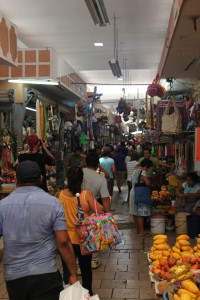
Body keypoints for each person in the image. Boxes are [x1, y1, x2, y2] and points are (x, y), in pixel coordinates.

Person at [0, 161, 77, 300]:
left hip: (14, 278)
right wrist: (73, 274)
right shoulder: (53, 203)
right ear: (41, 179)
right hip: (46, 276)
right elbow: (63, 242)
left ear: (16, 180)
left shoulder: (2, 206)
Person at [59, 167, 104, 296]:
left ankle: (69, 294)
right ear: (82, 180)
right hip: (84, 240)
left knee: (68, 270)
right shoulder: (86, 195)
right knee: (86, 270)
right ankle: (87, 294)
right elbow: (100, 210)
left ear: (67, 180)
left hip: (66, 240)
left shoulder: (60, 195)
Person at [82, 152, 111, 269]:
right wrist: (108, 215)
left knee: (78, 233)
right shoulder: (101, 179)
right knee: (92, 232)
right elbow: (105, 198)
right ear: (98, 164)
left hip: (77, 206)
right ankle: (93, 260)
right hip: (92, 208)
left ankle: (79, 263)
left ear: (85, 163)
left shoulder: (78, 173)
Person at [130, 158, 153, 237]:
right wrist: (149, 183)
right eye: (148, 167)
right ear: (146, 166)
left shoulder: (135, 170)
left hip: (133, 192)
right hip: (140, 194)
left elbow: (132, 181)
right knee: (140, 214)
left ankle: (137, 230)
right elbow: (147, 183)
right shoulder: (143, 172)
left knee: (135, 213)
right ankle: (142, 232)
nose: (148, 169)